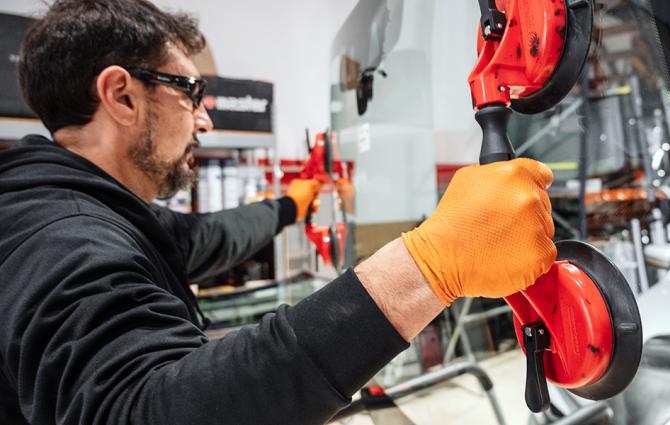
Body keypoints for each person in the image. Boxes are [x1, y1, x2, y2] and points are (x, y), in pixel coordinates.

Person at [0, 1, 556, 424]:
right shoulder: (64, 237)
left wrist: (295, 200)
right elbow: (143, 407)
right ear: (121, 96)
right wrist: (433, 264)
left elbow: (206, 238)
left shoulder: (91, 207)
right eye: (190, 91)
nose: (203, 120)